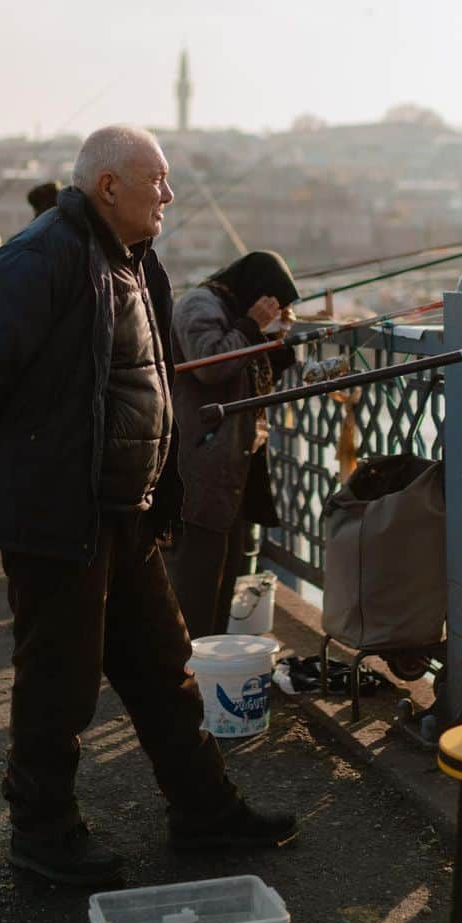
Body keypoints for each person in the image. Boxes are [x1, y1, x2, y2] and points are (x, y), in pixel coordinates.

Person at [0, 125, 296, 887]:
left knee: (165, 669)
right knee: (58, 682)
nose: (169, 195)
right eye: (157, 181)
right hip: (59, 516)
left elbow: (150, 384)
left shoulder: (135, 263)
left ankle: (206, 809)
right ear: (109, 187)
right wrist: (11, 470)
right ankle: (43, 834)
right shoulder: (43, 256)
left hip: (121, 513)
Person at [171, 252, 299, 637]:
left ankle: (213, 656)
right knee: (200, 569)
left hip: (234, 461)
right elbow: (209, 365)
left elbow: (249, 375)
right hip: (202, 457)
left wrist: (273, 337)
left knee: (229, 567)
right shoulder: (200, 304)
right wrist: (251, 325)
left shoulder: (233, 307)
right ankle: (188, 661)